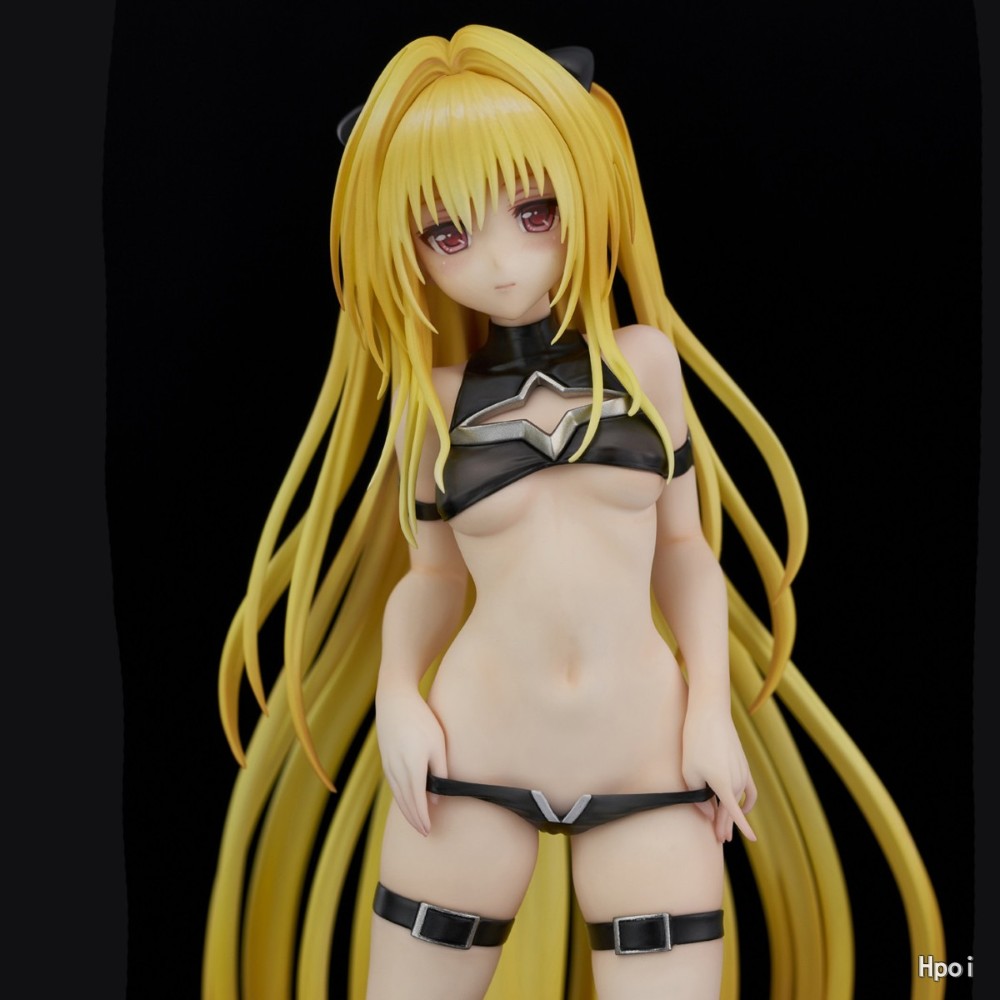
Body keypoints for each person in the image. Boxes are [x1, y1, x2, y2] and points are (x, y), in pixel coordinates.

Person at [204, 25, 943, 1000]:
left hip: (648, 756)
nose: (503, 263)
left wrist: (711, 714)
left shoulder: (645, 365)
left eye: (534, 210)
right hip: (470, 756)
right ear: (402, 246)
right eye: (448, 234)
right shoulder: (430, 403)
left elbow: (685, 551)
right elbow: (431, 575)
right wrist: (396, 697)